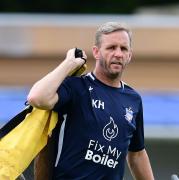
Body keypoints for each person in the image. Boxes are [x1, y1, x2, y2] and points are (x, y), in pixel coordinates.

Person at [27, 21, 154, 180]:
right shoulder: (76, 87)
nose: (118, 54)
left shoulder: (133, 99)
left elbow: (137, 154)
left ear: (129, 55)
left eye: (123, 48)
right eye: (111, 48)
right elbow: (36, 98)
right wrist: (69, 63)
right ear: (96, 52)